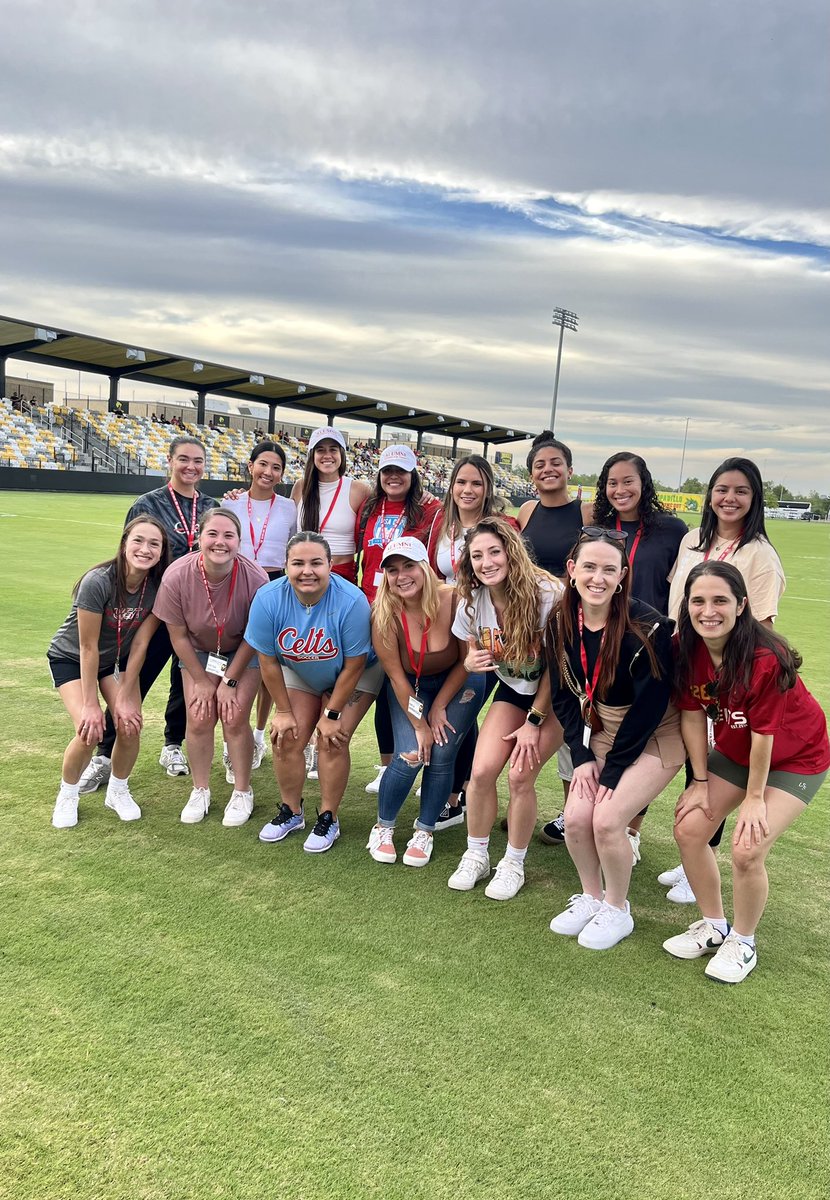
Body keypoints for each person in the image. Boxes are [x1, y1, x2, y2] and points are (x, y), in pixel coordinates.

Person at [664, 562, 829, 983]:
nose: (708, 611)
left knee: (746, 848)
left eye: (720, 600)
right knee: (689, 829)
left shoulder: (765, 657)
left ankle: (743, 941)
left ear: (740, 605)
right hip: (737, 750)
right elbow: (690, 715)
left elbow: (763, 735)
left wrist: (755, 799)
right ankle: (714, 925)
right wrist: (700, 782)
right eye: (698, 601)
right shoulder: (685, 646)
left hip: (796, 757)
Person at [546, 529, 685, 949]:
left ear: (622, 575)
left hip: (656, 735)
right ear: (572, 570)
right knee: (575, 819)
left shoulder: (649, 627)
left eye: (609, 569)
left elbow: (648, 711)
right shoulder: (559, 622)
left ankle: (617, 908)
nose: (598, 578)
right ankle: (591, 897)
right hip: (603, 732)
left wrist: (613, 771)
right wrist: (582, 755)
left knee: (607, 821)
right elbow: (562, 696)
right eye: (589, 567)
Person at [660, 457, 787, 901]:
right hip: (685, 661)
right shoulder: (692, 540)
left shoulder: (759, 555)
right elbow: (679, 599)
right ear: (710, 495)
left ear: (755, 499)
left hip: (728, 675)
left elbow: (763, 626)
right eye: (722, 489)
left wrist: (730, 681)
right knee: (694, 755)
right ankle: (693, 855)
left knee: (719, 760)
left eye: (741, 491)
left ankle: (702, 857)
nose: (729, 498)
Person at [78, 435, 218, 795]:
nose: (191, 466)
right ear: (169, 461)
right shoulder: (148, 503)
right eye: (184, 459)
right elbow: (130, 552)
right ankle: (105, 754)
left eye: (198, 461)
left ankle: (173, 744)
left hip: (196, 611)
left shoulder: (211, 505)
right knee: (134, 679)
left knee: (187, 680)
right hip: (154, 609)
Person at [243, 532, 383, 853]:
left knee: (332, 739)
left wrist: (331, 714)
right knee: (286, 736)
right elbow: (267, 660)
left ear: (330, 565)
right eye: (298, 563)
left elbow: (355, 664)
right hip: (302, 668)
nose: (307, 571)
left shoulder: (351, 600)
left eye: (316, 563)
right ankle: (291, 811)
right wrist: (282, 711)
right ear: (285, 565)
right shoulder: (267, 598)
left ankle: (329, 816)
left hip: (355, 672)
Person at [447, 517, 564, 900]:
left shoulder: (548, 594)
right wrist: (470, 661)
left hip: (556, 696)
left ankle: (513, 863)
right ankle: (476, 855)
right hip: (515, 690)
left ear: (511, 552)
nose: (487, 562)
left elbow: (557, 667)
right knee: (481, 772)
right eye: (477, 555)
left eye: (494, 552)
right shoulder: (472, 599)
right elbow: (470, 648)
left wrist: (535, 720)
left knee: (519, 777)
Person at [587, 451, 688, 863]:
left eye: (628, 481)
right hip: (604, 643)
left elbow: (680, 586)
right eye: (612, 482)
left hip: (650, 646)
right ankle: (591, 809)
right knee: (600, 728)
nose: (620, 489)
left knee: (645, 729)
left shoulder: (671, 530)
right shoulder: (597, 529)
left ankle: (631, 828)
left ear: (644, 483)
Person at [368, 538, 487, 866]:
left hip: (461, 680)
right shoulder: (384, 613)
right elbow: (397, 678)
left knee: (443, 752)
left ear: (425, 568)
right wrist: (420, 725)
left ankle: (425, 830)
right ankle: (383, 827)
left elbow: (466, 661)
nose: (401, 576)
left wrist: (439, 706)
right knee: (411, 753)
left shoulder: (456, 599)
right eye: (392, 570)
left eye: (409, 566)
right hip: (411, 687)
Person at [145, 509, 269, 826]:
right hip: (199, 651)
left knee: (234, 716)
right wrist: (201, 681)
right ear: (199, 537)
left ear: (239, 541)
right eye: (212, 534)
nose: (220, 542)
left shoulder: (256, 578)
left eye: (229, 535)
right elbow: (177, 636)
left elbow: (255, 636)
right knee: (199, 716)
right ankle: (200, 789)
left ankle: (242, 791)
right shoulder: (176, 575)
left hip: (243, 648)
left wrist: (229, 681)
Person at [48, 518, 170, 828]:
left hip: (114, 661)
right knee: (89, 729)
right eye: (138, 540)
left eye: (154, 544)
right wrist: (91, 705)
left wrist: (127, 695)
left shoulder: (157, 588)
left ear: (161, 551)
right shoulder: (98, 581)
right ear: (125, 543)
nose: (145, 549)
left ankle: (118, 790)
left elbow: (140, 643)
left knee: (130, 724)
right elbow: (87, 646)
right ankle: (68, 795)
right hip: (72, 658)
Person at [426, 454, 520, 828]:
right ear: (451, 486)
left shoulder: (502, 527)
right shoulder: (440, 524)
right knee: (459, 711)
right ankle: (457, 789)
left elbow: (514, 573)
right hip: (448, 628)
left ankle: (460, 792)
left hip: (488, 631)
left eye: (476, 483)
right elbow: (430, 574)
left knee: (469, 706)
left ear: (488, 488)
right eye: (461, 482)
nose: (468, 490)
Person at [518, 431, 593, 845]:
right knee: (526, 711)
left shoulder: (586, 511)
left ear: (569, 469)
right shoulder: (527, 510)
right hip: (529, 629)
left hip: (570, 627)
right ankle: (522, 804)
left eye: (555, 463)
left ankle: (572, 813)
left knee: (568, 719)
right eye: (539, 465)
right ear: (531, 474)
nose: (548, 470)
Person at [355, 445, 442, 795]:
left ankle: (432, 766)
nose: (394, 477)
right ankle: (387, 764)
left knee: (416, 683)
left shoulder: (429, 509)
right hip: (374, 605)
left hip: (412, 606)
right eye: (388, 471)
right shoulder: (369, 507)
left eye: (401, 471)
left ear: (412, 475)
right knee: (383, 688)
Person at [222, 439, 297, 775]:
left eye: (276, 467)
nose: (268, 472)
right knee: (235, 664)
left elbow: (292, 547)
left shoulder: (289, 507)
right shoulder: (232, 503)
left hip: (275, 584)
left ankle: (257, 735)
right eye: (263, 464)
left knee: (269, 666)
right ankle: (230, 742)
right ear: (250, 466)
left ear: (282, 474)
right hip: (237, 582)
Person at [292, 426, 370, 583]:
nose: (327, 455)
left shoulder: (359, 489)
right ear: (312, 455)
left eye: (333, 449)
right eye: (320, 450)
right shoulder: (300, 487)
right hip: (305, 575)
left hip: (342, 576)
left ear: (341, 454)